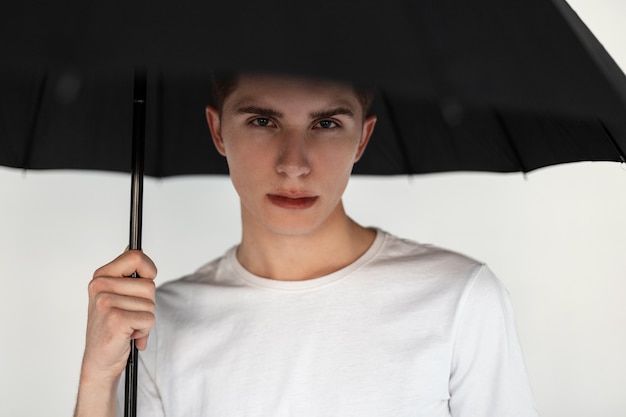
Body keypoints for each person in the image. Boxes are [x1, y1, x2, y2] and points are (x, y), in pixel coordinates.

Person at [73, 73, 539, 417]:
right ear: (218, 131)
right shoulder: (156, 323)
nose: (293, 164)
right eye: (262, 120)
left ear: (363, 137)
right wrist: (96, 378)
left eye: (327, 124)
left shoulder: (459, 300)